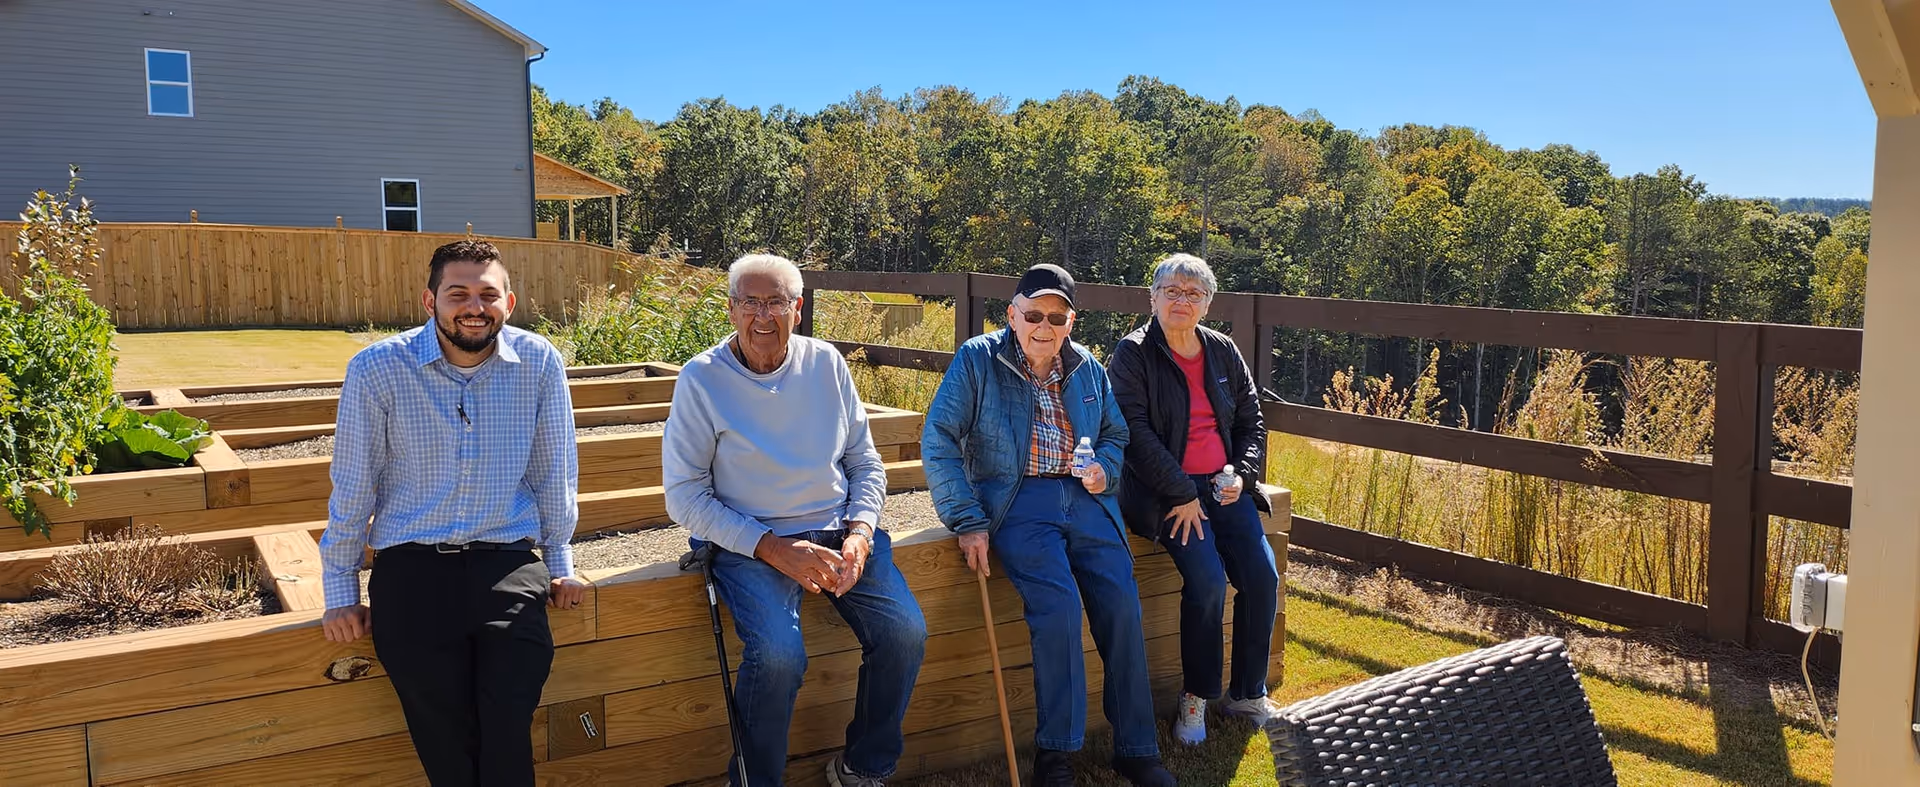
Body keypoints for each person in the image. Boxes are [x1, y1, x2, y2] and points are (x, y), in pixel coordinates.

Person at [318, 239, 588, 786]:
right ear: (430, 301)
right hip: (411, 571)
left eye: (488, 293)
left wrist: (560, 560)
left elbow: (553, 469)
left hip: (506, 566)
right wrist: (340, 591)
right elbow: (353, 485)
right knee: (444, 741)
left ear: (508, 304)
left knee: (508, 728)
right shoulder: (378, 368)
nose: (474, 305)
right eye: (458, 292)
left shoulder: (538, 362)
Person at [663, 253, 928, 787]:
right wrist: (774, 549)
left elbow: (864, 461)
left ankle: (863, 767)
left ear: (798, 308)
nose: (764, 316)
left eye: (777, 302)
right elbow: (685, 497)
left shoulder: (826, 364)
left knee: (904, 632)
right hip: (751, 542)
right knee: (780, 658)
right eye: (751, 303)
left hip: (837, 531)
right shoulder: (701, 379)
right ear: (730, 309)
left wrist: (860, 531)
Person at [922, 263, 1176, 787]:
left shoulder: (1086, 365)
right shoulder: (978, 359)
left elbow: (1115, 433)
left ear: (1071, 321)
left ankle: (1135, 747)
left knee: (1122, 606)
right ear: (1012, 315)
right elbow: (939, 438)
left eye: (1055, 317)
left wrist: (1104, 468)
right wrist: (966, 517)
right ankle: (1056, 754)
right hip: (1017, 499)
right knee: (1057, 609)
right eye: (1033, 314)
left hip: (1085, 499)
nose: (1044, 326)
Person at [1109, 253, 1280, 745]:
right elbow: (1133, 434)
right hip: (1166, 493)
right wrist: (1182, 492)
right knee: (1206, 581)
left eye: (1193, 293)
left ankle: (1247, 692)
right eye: (1172, 290)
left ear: (1208, 303)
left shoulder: (1223, 350)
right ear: (1153, 297)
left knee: (1262, 576)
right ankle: (1196, 697)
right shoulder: (1134, 353)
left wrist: (1242, 479)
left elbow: (1251, 422)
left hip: (1223, 488)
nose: (1181, 300)